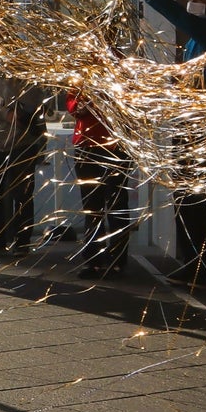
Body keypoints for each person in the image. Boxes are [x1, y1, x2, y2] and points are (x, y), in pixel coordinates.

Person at [119, 0, 206, 289]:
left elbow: (185, 21)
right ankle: (193, 262)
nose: (191, 2)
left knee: (203, 198)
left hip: (204, 129)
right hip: (186, 124)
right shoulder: (193, 43)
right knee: (185, 198)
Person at [0, 62, 49, 255]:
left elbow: (36, 97)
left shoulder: (25, 66)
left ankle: (22, 241)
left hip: (23, 141)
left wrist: (14, 105)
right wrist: (4, 113)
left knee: (22, 193)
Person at [66, 91, 131, 279]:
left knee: (117, 204)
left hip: (115, 146)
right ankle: (93, 260)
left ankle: (117, 260)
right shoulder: (82, 72)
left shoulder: (120, 67)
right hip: (86, 144)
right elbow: (71, 104)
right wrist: (81, 105)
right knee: (91, 206)